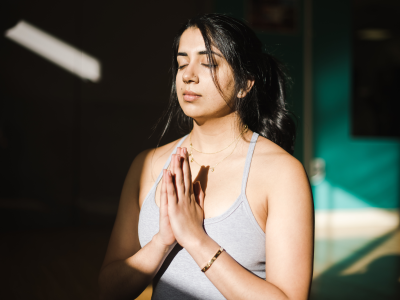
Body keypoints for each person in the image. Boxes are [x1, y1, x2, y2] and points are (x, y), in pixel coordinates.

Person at [98, 13, 314, 300]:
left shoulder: (282, 174)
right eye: (181, 62)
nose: (188, 75)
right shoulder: (148, 165)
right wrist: (162, 241)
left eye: (208, 62)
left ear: (245, 83)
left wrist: (196, 239)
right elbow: (108, 290)